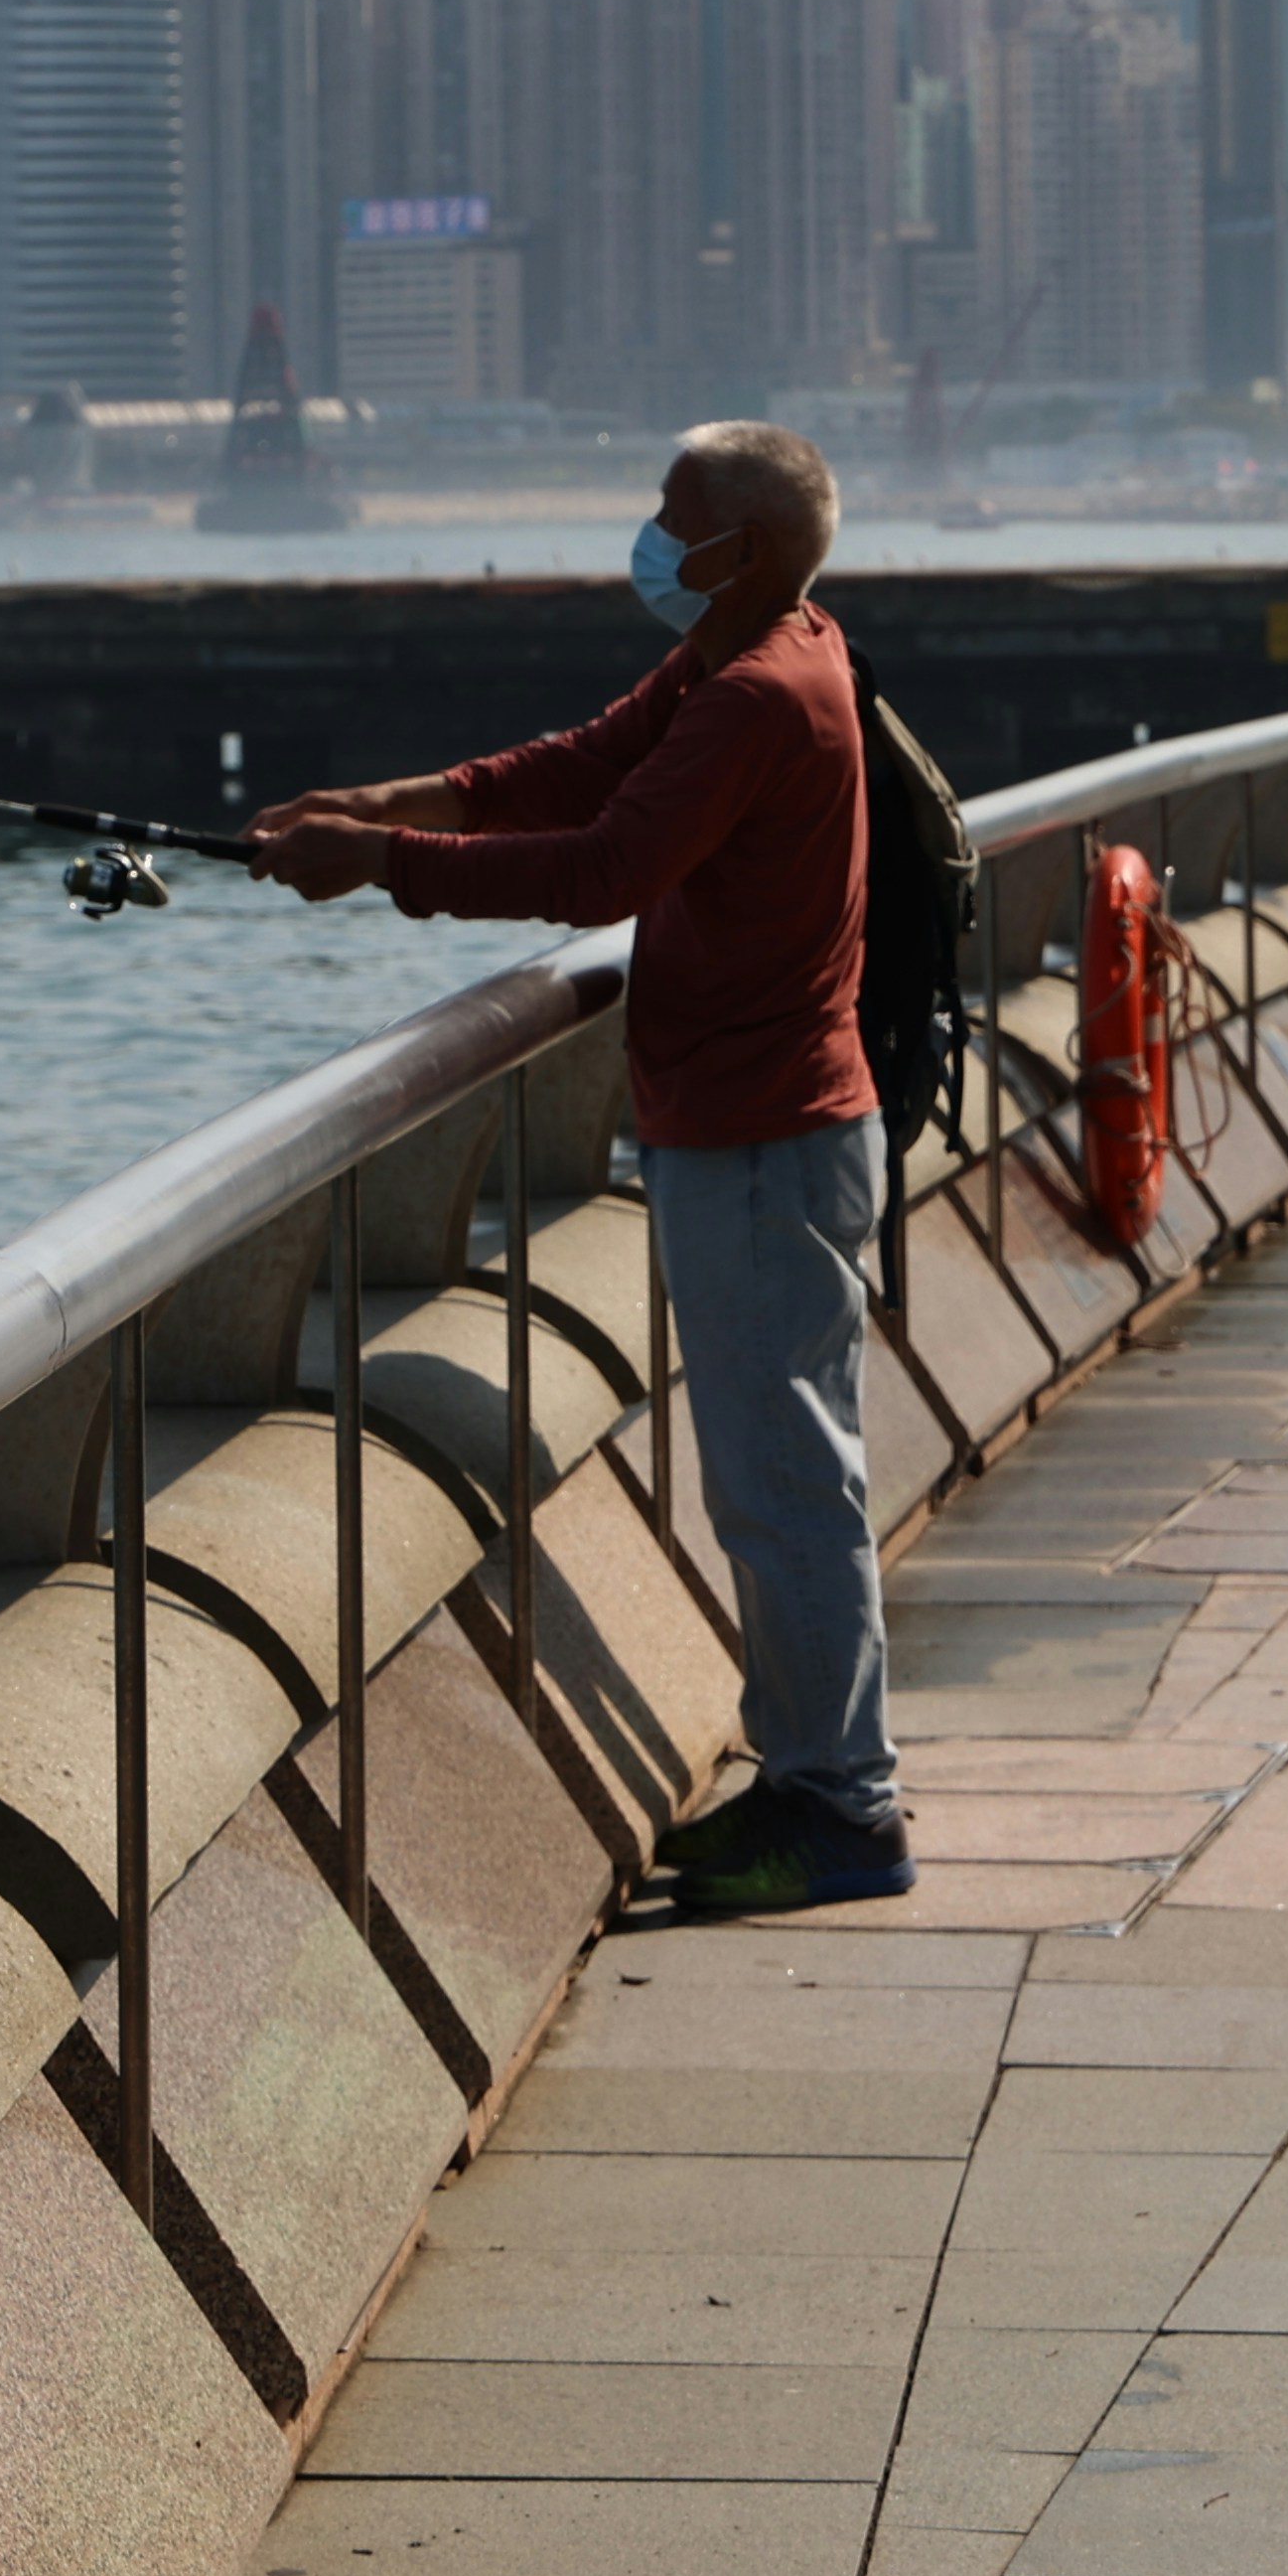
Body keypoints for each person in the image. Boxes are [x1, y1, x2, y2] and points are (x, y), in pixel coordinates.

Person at [245, 421, 911, 1914]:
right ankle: (813, 1775)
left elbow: (603, 868)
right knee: (786, 1479)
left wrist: (382, 870)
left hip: (761, 1139)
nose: (652, 536)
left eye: (677, 515)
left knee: (786, 1489)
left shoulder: (757, 691)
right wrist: (377, 811)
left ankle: (843, 1810)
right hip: (756, 1127)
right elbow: (570, 771)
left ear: (738, 548)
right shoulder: (766, 642)